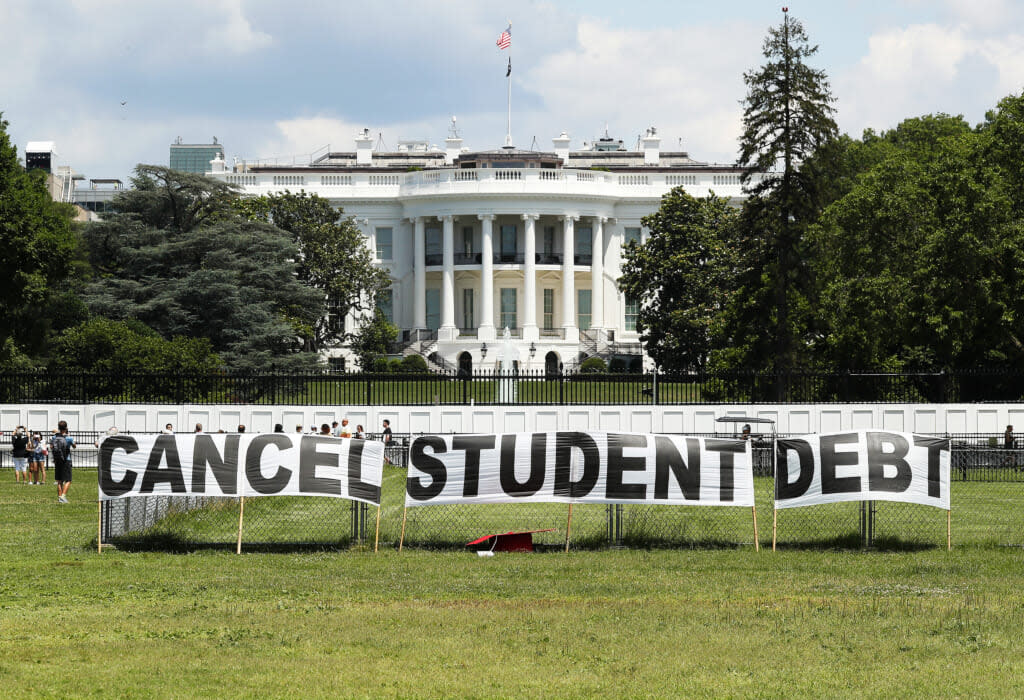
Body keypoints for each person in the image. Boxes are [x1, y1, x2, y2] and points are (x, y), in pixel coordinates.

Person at [49, 420, 75, 504]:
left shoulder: (54, 437)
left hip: (57, 460)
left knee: (59, 480)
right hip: (66, 460)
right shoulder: (69, 438)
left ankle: (60, 498)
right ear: (66, 428)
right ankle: (63, 496)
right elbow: (74, 446)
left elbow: (51, 446)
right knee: (68, 480)